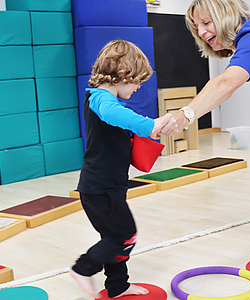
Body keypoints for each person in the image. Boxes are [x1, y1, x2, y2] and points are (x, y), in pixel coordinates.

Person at [152, 0, 250, 277]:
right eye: (196, 27)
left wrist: (185, 114)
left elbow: (226, 82)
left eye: (207, 22)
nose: (202, 32)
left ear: (226, 15)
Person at [70, 40, 169, 298]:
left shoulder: (106, 99)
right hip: (100, 188)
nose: (138, 88)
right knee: (125, 236)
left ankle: (117, 287)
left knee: (113, 237)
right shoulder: (101, 99)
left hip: (108, 185)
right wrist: (151, 125)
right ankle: (83, 268)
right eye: (137, 81)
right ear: (124, 74)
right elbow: (114, 114)